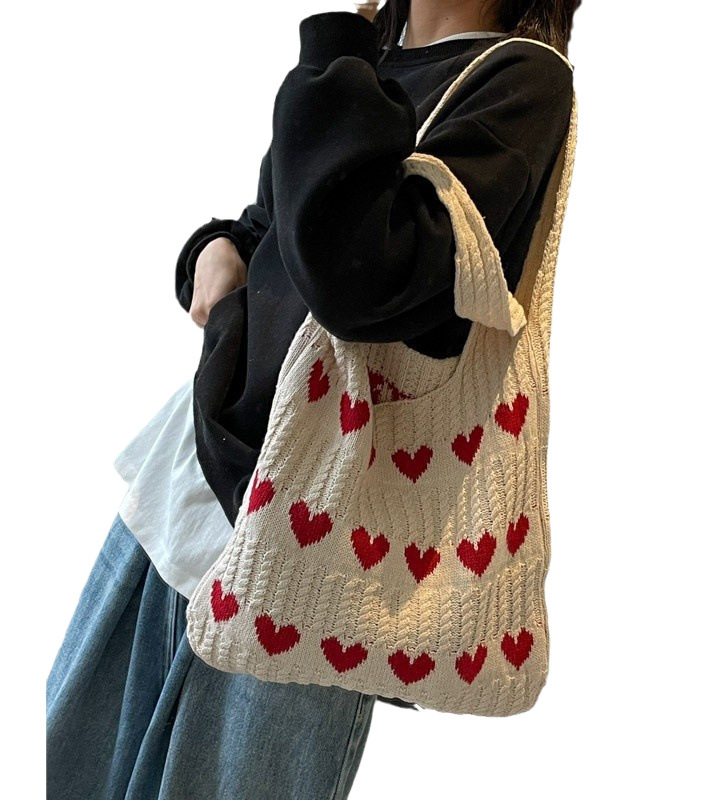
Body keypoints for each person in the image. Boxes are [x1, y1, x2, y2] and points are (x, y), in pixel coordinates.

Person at [46, 1, 581, 797]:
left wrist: (336, 47)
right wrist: (212, 251)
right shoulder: (368, 62)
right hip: (189, 483)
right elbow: (274, 227)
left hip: (325, 548)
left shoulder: (521, 80)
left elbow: (360, 278)